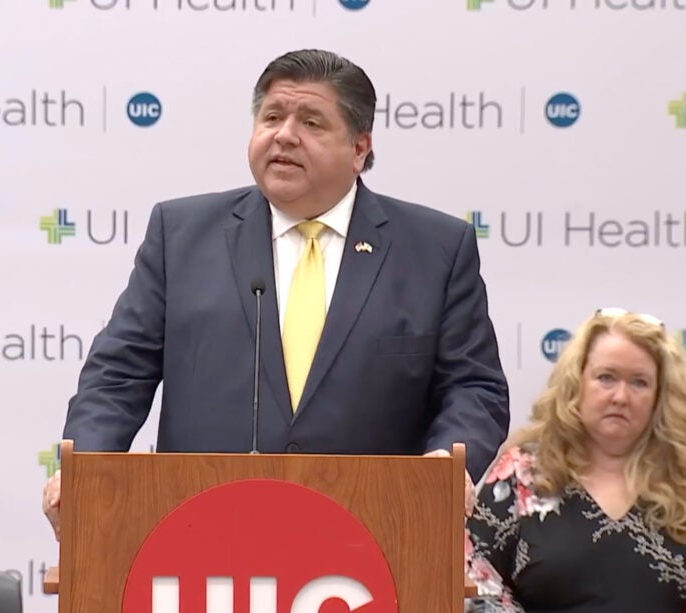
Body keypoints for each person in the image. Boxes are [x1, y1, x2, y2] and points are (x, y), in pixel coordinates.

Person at [43, 49, 509, 534]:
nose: (284, 135)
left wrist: (445, 464)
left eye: (311, 122)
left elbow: (474, 386)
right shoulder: (180, 234)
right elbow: (119, 372)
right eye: (272, 117)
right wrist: (86, 470)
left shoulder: (434, 249)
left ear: (359, 148)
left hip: (372, 534)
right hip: (201, 530)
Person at [466, 309, 686, 612]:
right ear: (577, 383)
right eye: (606, 378)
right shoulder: (523, 473)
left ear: (660, 395)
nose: (620, 397)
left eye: (639, 382)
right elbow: (475, 579)